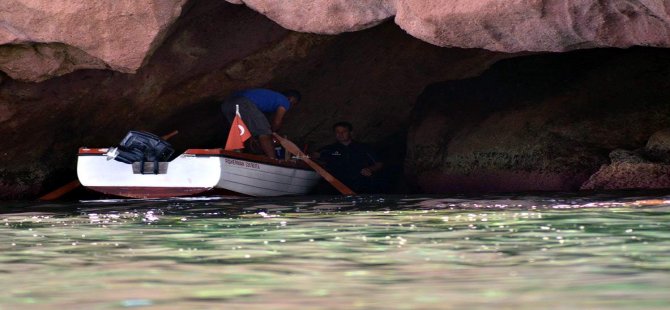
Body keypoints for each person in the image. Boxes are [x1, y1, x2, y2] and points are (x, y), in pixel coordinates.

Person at [221, 88, 301, 159]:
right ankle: (272, 160)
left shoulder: (271, 97)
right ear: (291, 98)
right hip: (243, 102)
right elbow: (277, 121)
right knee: (264, 132)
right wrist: (272, 133)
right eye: (293, 104)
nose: (291, 106)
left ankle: (237, 156)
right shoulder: (285, 100)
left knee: (242, 133)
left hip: (227, 104)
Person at [313, 121, 385, 193]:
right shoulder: (328, 149)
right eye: (337, 132)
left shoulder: (364, 147)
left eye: (344, 131)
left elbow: (379, 163)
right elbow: (313, 158)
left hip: (361, 187)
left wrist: (370, 169)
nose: (340, 134)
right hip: (336, 188)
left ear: (350, 133)